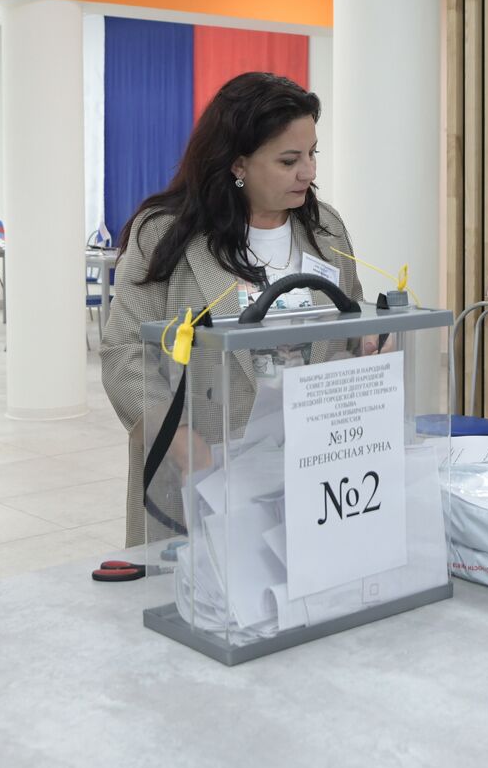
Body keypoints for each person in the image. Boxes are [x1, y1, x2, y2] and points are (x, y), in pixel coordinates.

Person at [102, 72, 366, 546]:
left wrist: (369, 346)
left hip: (313, 466)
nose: (308, 173)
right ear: (238, 163)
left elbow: (351, 329)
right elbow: (124, 353)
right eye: (289, 160)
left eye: (312, 154)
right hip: (204, 471)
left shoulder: (326, 228)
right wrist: (183, 446)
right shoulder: (164, 234)